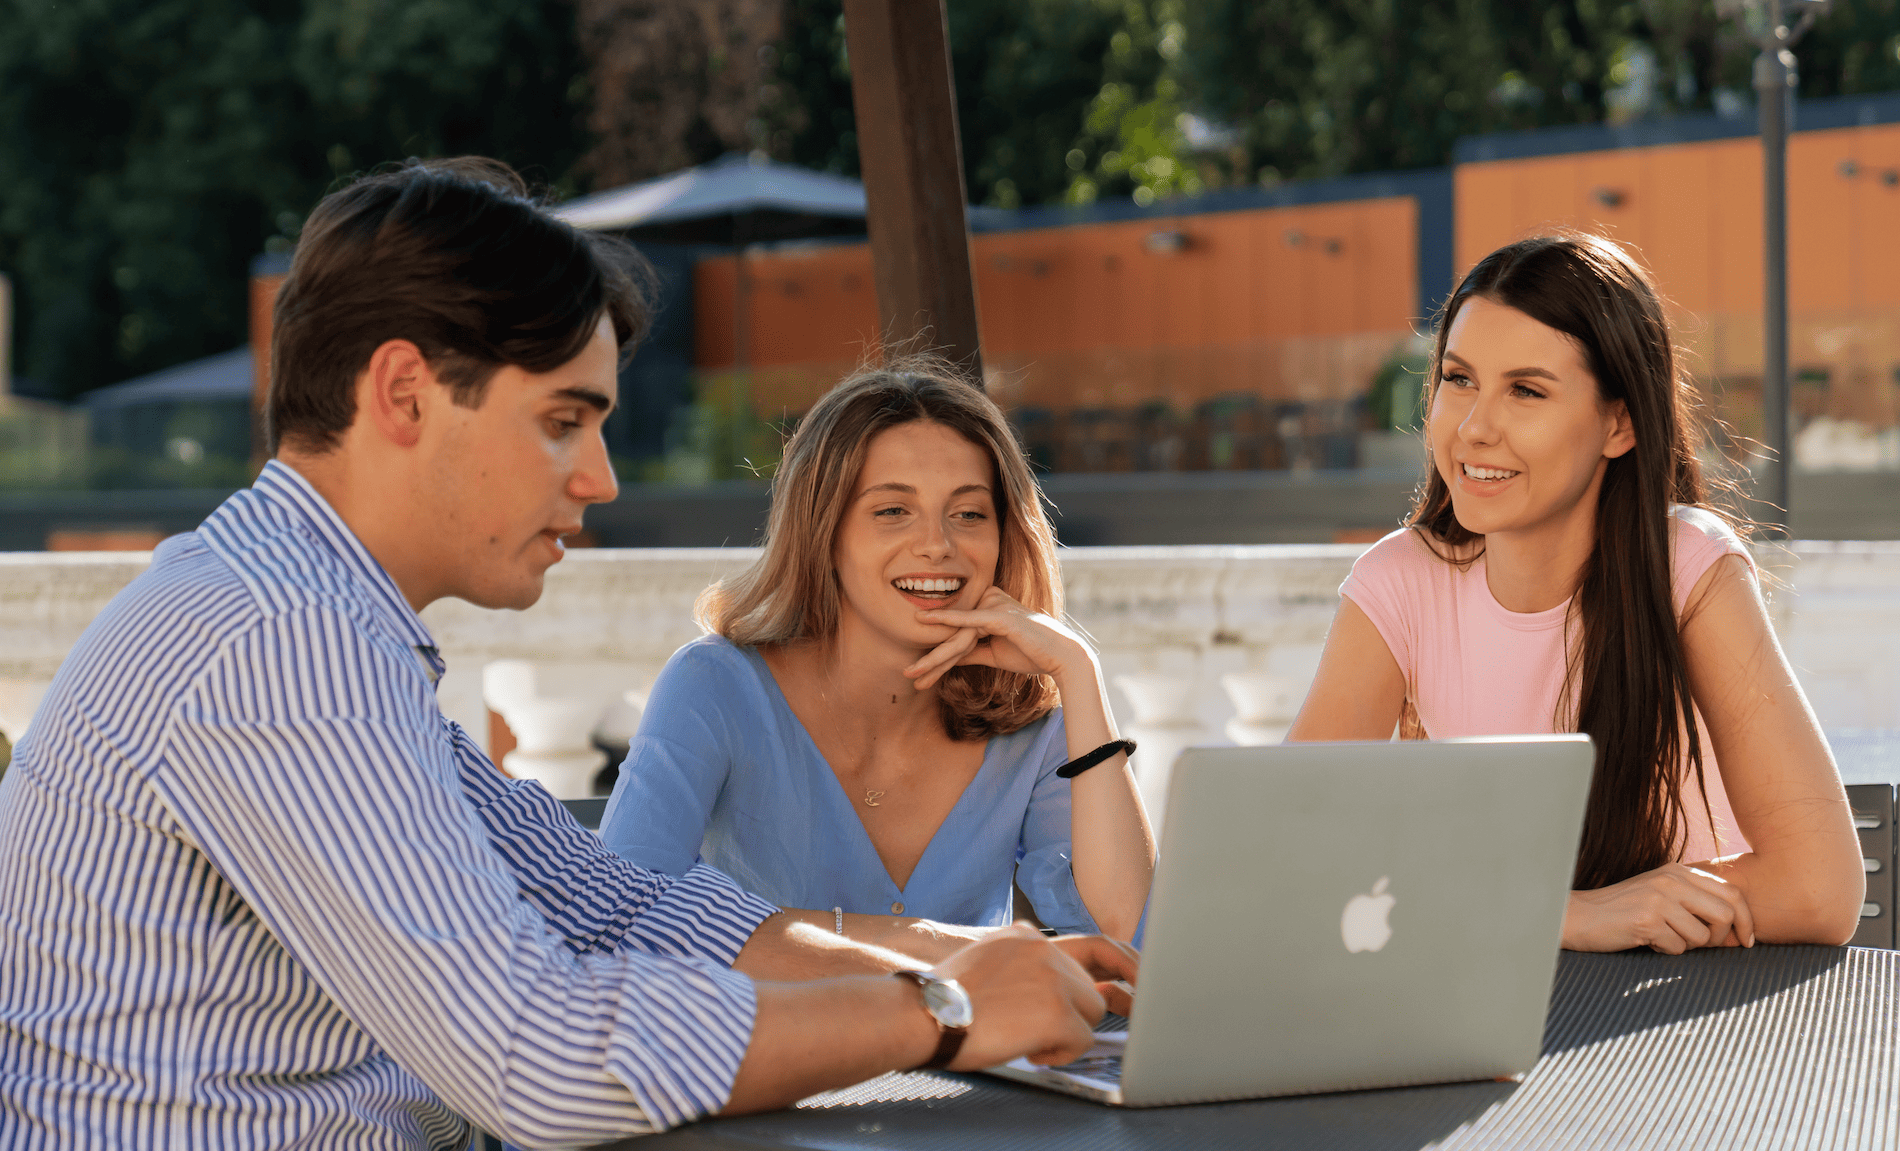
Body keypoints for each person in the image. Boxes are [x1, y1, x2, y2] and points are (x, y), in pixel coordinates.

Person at [0, 159, 1137, 1150]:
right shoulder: (274, 645)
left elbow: (613, 905)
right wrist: (937, 1010)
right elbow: (536, 1058)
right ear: (403, 393)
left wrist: (956, 954)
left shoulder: (307, 619)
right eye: (562, 421)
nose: (600, 478)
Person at [1288, 232, 1863, 955]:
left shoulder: (1687, 564)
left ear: (1618, 423)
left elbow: (1819, 889)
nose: (1474, 427)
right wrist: (1572, 915)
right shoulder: (1400, 582)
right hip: (1505, 1007)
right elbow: (1288, 859)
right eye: (1459, 379)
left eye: (1525, 390)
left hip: (1685, 1013)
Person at [600, 364, 1154, 950]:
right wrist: (922, 942)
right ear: (824, 533)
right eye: (893, 510)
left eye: (969, 514)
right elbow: (622, 913)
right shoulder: (715, 687)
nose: (938, 545)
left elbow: (1127, 938)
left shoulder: (1027, 717)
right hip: (763, 1040)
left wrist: (1079, 672)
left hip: (972, 1044)